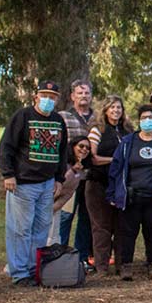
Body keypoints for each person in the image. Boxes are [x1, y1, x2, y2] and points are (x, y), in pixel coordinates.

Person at [0, 80, 68, 286]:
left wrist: (59, 178)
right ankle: (19, 272)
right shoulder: (23, 116)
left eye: (52, 97)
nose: (48, 100)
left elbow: (62, 151)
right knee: (20, 229)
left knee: (41, 229)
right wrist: (8, 174)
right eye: (44, 95)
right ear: (36, 97)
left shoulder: (58, 121)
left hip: (47, 183)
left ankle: (32, 269)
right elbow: (7, 146)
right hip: (23, 183)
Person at [107, 105, 152, 280]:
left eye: (151, 118)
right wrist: (113, 193)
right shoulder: (128, 142)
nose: (147, 121)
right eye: (144, 118)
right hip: (131, 196)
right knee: (128, 233)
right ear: (139, 121)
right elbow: (116, 168)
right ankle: (126, 266)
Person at [86, 95, 130, 276]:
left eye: (119, 108)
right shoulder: (97, 130)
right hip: (98, 184)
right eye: (112, 108)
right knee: (101, 227)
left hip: (122, 186)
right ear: (105, 110)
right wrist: (116, 160)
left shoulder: (127, 131)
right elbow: (93, 157)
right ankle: (102, 267)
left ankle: (121, 265)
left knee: (121, 226)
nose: (116, 111)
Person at [58, 79, 95, 267]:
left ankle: (81, 258)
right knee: (65, 217)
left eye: (87, 93)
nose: (83, 96)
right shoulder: (63, 117)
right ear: (72, 96)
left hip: (90, 177)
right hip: (68, 175)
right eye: (79, 93)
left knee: (86, 218)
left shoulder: (97, 119)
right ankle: (59, 254)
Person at [48, 137, 91, 247]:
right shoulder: (62, 163)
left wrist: (55, 208)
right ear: (73, 147)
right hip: (46, 200)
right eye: (81, 146)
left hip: (56, 205)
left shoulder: (81, 170)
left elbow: (68, 193)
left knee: (54, 234)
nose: (84, 149)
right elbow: (60, 184)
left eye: (88, 148)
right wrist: (72, 171)